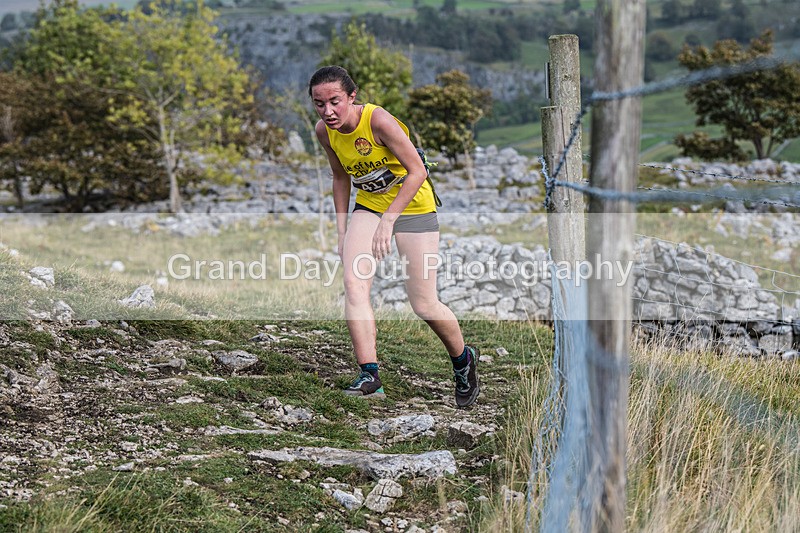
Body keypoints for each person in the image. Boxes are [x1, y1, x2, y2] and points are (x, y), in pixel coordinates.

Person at [308, 65, 480, 408]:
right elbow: (340, 178)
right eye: (319, 104)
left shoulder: (378, 121)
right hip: (369, 206)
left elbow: (417, 170)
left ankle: (464, 361)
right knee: (354, 284)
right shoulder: (324, 132)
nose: (328, 112)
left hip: (413, 206)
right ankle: (369, 375)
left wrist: (389, 222)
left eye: (335, 102)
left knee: (424, 304)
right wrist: (342, 230)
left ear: (352, 96)